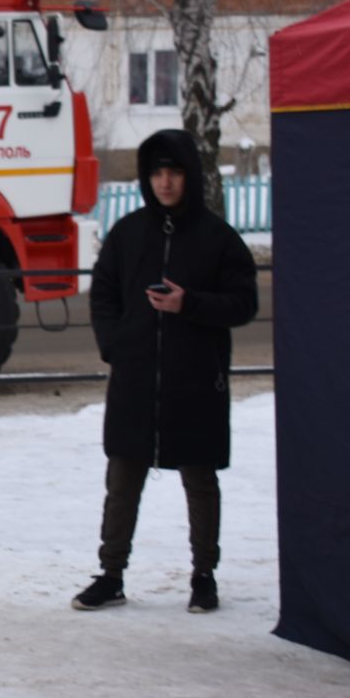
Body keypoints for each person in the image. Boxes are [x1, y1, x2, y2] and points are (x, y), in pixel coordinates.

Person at [74, 129, 258, 615]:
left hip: (195, 380)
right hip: (136, 379)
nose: (165, 182)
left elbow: (244, 302)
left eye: (174, 172)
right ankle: (110, 574)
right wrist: (115, 345)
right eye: (156, 172)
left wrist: (190, 303)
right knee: (123, 478)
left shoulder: (218, 238)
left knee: (199, 480)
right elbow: (104, 294)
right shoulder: (128, 233)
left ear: (189, 176)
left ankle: (204, 575)